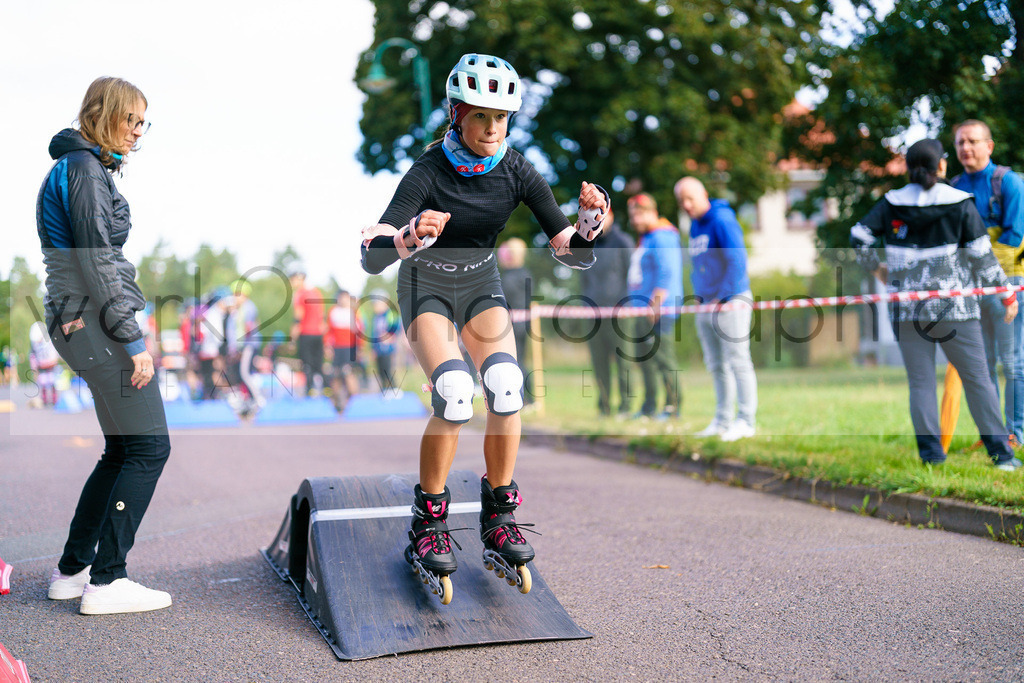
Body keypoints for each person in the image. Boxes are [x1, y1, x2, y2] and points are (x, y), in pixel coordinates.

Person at [360, 52, 608, 601]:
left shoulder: (517, 169)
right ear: (457, 115)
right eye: (480, 117)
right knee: (452, 394)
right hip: (425, 288)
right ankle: (428, 521)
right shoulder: (428, 169)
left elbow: (571, 252)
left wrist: (590, 223)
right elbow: (371, 256)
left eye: (501, 118)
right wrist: (409, 236)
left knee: (507, 386)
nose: (492, 128)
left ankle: (498, 514)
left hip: (480, 286)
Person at [35, 77, 173, 613]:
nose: (139, 132)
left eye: (145, 123)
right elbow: (95, 260)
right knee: (148, 448)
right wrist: (131, 337)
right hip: (91, 320)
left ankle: (73, 572)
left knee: (122, 449)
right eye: (131, 120)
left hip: (79, 319)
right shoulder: (86, 170)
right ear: (104, 113)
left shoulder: (78, 165)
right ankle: (108, 581)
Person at [850, 138, 1020, 470]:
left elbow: (858, 236)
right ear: (941, 165)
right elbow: (982, 257)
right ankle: (1001, 456)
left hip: (907, 309)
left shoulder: (891, 202)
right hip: (955, 309)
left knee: (921, 381)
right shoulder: (959, 202)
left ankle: (931, 457)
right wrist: (1007, 293)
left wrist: (878, 269)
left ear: (909, 168)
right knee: (977, 379)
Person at [951, 119, 1024, 447]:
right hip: (970, 289)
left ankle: (1016, 433)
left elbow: (1014, 235)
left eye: (973, 141)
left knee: (1013, 362)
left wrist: (977, 261)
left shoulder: (1009, 183)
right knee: (982, 366)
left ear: (989, 146)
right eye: (960, 143)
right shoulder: (951, 189)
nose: (966, 148)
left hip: (1009, 283)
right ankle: (994, 435)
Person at [675, 177, 758, 441]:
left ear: (704, 195)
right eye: (682, 201)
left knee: (738, 361)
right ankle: (722, 421)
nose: (686, 205)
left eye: (690, 198)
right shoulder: (694, 227)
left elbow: (737, 259)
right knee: (716, 365)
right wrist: (700, 297)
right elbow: (699, 265)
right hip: (706, 305)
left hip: (731, 302)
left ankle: (746, 421)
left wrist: (723, 298)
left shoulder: (722, 219)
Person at [624, 193, 684, 420]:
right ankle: (649, 406)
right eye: (632, 215)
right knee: (645, 359)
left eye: (639, 214)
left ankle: (673, 406)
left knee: (663, 359)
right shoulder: (647, 237)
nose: (635, 220)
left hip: (659, 309)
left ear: (652, 211)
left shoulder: (662, 236)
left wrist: (655, 305)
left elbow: (666, 273)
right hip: (641, 309)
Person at [578, 207, 635, 416]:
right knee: (599, 362)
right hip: (592, 314)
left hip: (619, 313)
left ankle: (626, 407)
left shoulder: (623, 242)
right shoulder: (586, 243)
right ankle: (604, 407)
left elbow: (631, 277)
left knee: (623, 362)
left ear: (609, 216)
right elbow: (583, 278)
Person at [497, 237, 534, 405]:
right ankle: (526, 398)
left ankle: (526, 399)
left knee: (517, 363)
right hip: (523, 324)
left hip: (514, 326)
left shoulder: (510, 277)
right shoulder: (525, 273)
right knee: (520, 362)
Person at [289, 266, 326, 397]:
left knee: (307, 364)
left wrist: (292, 339)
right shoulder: (316, 292)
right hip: (318, 334)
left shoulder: (300, 294)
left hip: (306, 333)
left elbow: (298, 317)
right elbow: (322, 316)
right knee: (319, 363)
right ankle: (327, 389)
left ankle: (310, 390)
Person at [326, 289, 361, 410]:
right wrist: (327, 346)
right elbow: (328, 332)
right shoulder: (333, 312)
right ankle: (337, 403)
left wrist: (359, 349)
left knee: (348, 372)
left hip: (349, 348)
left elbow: (359, 333)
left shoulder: (353, 313)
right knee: (335, 374)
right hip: (337, 348)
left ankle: (354, 401)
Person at [29, 320, 61, 408]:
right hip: (41, 367)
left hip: (51, 365)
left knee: (52, 382)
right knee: (43, 382)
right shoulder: (34, 345)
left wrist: (53, 361)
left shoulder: (49, 342)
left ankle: (54, 399)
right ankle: (44, 399)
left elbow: (55, 355)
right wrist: (34, 368)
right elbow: (32, 356)